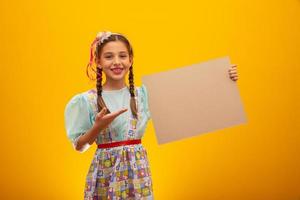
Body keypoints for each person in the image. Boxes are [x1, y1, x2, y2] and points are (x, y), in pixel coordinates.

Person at [64, 31, 239, 200]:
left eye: (122, 56)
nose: (116, 62)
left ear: (131, 60)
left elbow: (189, 94)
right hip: (106, 176)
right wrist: (97, 127)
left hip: (138, 175)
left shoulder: (143, 96)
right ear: (99, 61)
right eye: (109, 56)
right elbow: (79, 146)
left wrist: (224, 77)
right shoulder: (88, 101)